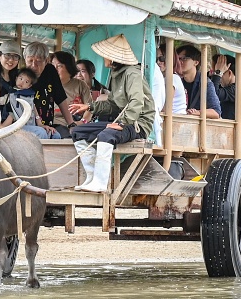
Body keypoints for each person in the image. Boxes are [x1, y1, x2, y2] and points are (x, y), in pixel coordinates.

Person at [69, 34, 155, 192]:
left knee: (106, 135)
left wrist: (121, 123)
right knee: (77, 132)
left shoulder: (132, 73)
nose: (103, 58)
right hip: (123, 122)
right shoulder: (116, 74)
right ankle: (92, 178)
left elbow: (137, 102)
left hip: (137, 125)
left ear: (113, 57)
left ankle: (101, 183)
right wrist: (89, 107)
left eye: (105, 55)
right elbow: (113, 105)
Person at [24, 41, 78, 137]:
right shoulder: (22, 76)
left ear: (46, 60)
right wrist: (39, 124)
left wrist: (71, 124)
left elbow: (60, 97)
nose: (33, 65)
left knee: (60, 135)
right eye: (30, 60)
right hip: (30, 124)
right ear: (25, 60)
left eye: (38, 61)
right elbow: (28, 101)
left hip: (48, 124)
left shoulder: (50, 70)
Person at [6, 68, 61, 139]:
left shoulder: (30, 96)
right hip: (18, 127)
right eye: (21, 78)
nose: (22, 82)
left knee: (55, 134)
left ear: (29, 86)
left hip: (32, 126)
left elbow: (34, 110)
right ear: (16, 78)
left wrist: (40, 124)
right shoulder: (11, 95)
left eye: (26, 82)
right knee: (41, 132)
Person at [50, 51, 92, 135]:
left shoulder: (80, 85)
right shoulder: (47, 85)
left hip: (77, 123)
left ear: (69, 67)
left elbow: (90, 108)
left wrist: (82, 122)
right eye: (52, 66)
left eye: (59, 66)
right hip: (56, 125)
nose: (55, 69)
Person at [152, 50, 188, 145]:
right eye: (156, 59)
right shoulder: (164, 78)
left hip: (175, 122)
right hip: (171, 121)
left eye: (162, 58)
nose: (159, 62)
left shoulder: (172, 78)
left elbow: (166, 107)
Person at [176, 44, 221, 119]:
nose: (180, 62)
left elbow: (216, 112)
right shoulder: (176, 81)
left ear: (196, 62)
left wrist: (198, 113)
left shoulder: (205, 83)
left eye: (184, 58)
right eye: (178, 59)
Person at [210, 54, 241, 121]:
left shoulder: (238, 88)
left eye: (221, 74)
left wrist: (218, 73)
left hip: (234, 130)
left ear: (229, 73)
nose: (219, 78)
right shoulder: (232, 87)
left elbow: (212, 95)